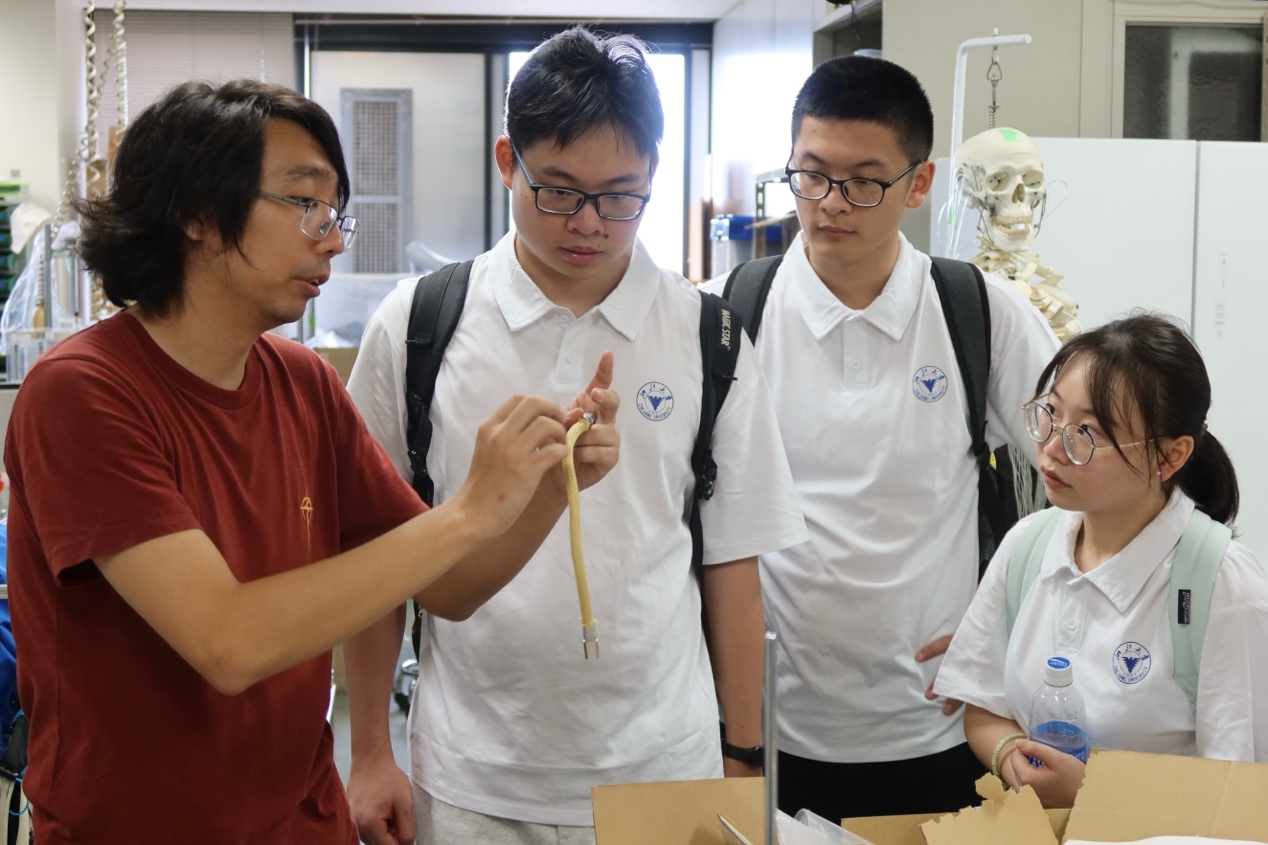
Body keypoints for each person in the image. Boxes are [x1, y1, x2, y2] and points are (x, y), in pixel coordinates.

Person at [4, 79, 619, 845]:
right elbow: (229, 640)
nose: (331, 239)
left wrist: (548, 490)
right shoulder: (82, 392)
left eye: (335, 213)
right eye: (305, 204)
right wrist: (466, 511)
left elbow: (448, 587)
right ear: (198, 212)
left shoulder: (304, 385)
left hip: (303, 821)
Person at [345, 26, 807, 845]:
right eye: (558, 191)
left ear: (653, 175)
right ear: (507, 161)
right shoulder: (418, 325)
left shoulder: (708, 334)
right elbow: (372, 556)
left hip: (664, 765)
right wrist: (372, 752)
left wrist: (742, 756)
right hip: (473, 776)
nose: (590, 223)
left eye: (621, 195)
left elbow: (733, 564)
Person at [703, 55, 1060, 819]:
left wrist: (1011, 615)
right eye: (810, 175)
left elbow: (1100, 481)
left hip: (938, 726)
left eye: (864, 181)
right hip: (768, 729)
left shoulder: (980, 314)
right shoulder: (728, 316)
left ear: (918, 183)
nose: (831, 204)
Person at [934, 313, 1268, 808]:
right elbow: (984, 706)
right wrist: (1010, 759)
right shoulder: (1029, 544)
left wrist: (1091, 795)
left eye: (1086, 434)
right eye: (1050, 413)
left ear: (1169, 457)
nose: (1051, 448)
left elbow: (1238, 796)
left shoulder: (1223, 586)